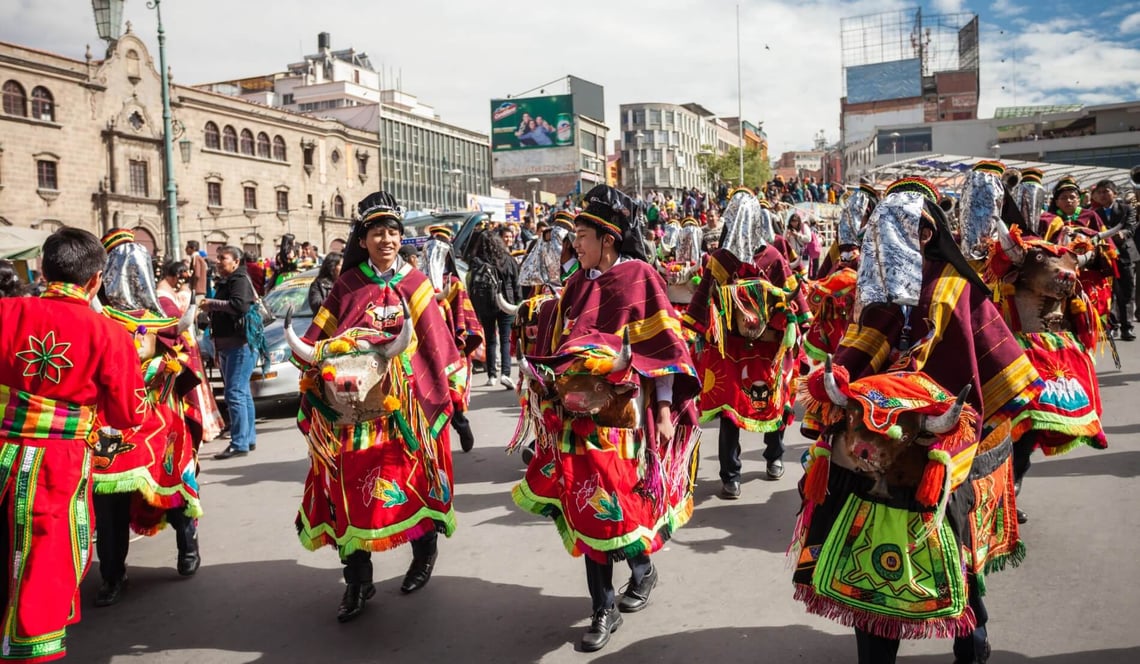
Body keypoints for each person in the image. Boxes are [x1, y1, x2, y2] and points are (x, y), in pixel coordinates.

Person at [793, 177, 1043, 664]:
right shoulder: (878, 293)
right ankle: (876, 644)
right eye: (879, 229)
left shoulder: (957, 289)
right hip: (872, 439)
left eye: (897, 228)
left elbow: (995, 374)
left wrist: (961, 422)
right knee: (856, 536)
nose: (883, 240)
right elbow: (858, 352)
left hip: (939, 443)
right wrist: (838, 383)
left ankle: (971, 637)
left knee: (952, 542)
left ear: (927, 233)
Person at [513, 184, 702, 652]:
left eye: (581, 233)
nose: (574, 243)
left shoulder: (640, 277)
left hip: (625, 417)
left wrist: (662, 409)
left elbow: (663, 350)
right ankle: (604, 606)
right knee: (587, 502)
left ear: (608, 238)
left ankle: (641, 569)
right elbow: (564, 340)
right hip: (575, 416)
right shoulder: (578, 282)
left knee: (620, 502)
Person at [286, 191, 465, 623]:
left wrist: (453, 402)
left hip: (408, 416)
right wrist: (323, 356)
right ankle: (357, 580)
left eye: (393, 232)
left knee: (413, 485)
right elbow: (314, 340)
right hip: (352, 415)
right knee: (350, 494)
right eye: (377, 232)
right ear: (362, 240)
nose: (386, 239)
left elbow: (439, 347)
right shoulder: (348, 285)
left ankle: (424, 552)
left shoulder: (417, 285)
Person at [0, 227, 146, 662]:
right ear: (96, 279)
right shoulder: (109, 334)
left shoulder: (6, 312)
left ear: (43, 269)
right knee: (42, 566)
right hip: (56, 465)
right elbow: (127, 413)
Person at [90, 230, 204, 607]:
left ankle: (188, 547)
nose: (129, 269)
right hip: (111, 423)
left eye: (136, 260)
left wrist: (163, 367)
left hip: (161, 418)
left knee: (172, 483)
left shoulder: (165, 314)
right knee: (109, 500)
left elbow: (187, 357)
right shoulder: (95, 317)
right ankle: (111, 572)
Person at [683, 188, 807, 499]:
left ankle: (774, 455)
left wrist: (791, 322)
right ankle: (730, 474)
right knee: (729, 409)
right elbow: (703, 301)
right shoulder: (721, 259)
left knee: (772, 402)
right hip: (730, 348)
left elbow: (793, 299)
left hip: (768, 347)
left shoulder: (774, 257)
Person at [421, 224, 483, 453]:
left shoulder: (454, 284)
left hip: (450, 347)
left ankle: (461, 426)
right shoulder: (417, 283)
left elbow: (463, 319)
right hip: (424, 346)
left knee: (450, 393)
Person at [202, 246, 258, 459]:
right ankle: (247, 439)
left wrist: (212, 304)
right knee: (241, 392)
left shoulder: (239, 279)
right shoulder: (229, 280)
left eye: (223, 258)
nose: (218, 262)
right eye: (218, 258)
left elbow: (239, 306)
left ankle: (239, 443)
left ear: (236, 261)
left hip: (240, 345)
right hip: (228, 345)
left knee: (234, 393)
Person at [468, 226, 522, 390]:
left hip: (485, 305)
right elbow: (516, 283)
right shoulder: (507, 259)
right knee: (505, 339)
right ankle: (505, 373)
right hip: (506, 303)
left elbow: (471, 286)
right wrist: (518, 304)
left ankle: (491, 375)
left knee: (490, 339)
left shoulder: (477, 263)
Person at [1090, 179, 1138, 340]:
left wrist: (1123, 234)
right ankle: (1112, 326)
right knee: (1107, 292)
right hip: (1104, 259)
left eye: (1106, 191)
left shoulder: (1127, 209)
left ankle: (1127, 327)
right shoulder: (1092, 213)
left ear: (1115, 193)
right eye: (1100, 192)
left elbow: (1131, 227)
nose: (1103, 195)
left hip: (1124, 256)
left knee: (1126, 292)